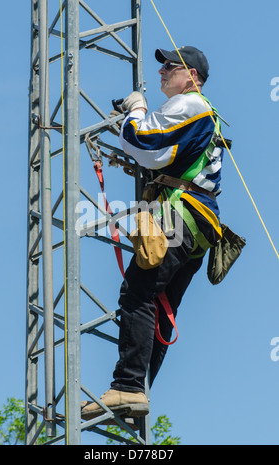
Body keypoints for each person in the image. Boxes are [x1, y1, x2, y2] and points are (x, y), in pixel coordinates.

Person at [81, 45, 225, 421]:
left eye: (171, 67)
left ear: (192, 76)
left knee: (138, 293)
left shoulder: (190, 105)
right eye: (160, 66)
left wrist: (136, 108)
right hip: (198, 224)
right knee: (161, 305)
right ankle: (137, 394)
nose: (162, 72)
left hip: (183, 217)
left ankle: (127, 388)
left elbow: (144, 142)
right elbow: (160, 157)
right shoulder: (200, 113)